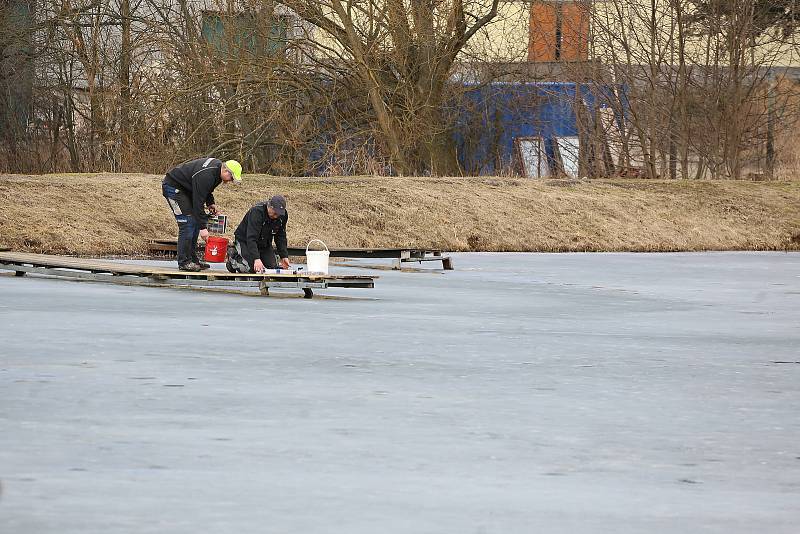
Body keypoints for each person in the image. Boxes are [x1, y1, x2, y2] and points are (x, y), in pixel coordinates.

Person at [162, 157, 241, 271]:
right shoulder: (206, 175)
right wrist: (203, 228)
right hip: (173, 187)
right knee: (187, 222)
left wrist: (210, 203)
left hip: (187, 189)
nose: (230, 181)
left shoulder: (217, 170)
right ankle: (184, 262)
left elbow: (206, 190)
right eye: (231, 177)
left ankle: (193, 260)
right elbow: (197, 204)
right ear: (225, 171)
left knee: (193, 221)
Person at [226, 195, 291, 273]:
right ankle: (233, 260)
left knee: (272, 269)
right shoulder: (257, 212)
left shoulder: (282, 216)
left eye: (279, 214)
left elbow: (281, 236)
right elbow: (251, 238)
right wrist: (256, 259)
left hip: (264, 243)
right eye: (274, 213)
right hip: (245, 241)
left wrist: (284, 256)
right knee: (251, 268)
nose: (276, 216)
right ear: (269, 206)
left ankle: (263, 259)